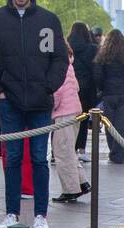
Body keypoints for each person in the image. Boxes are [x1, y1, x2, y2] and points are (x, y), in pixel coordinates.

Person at [0, 0, 65, 228]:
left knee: (40, 159)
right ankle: (11, 213)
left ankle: (40, 214)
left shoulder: (48, 20)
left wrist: (48, 87)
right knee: (13, 158)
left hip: (40, 103)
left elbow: (59, 58)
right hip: (10, 102)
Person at [94, 28, 124, 164]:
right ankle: (120, 155)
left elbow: (97, 74)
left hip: (108, 93)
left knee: (109, 124)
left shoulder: (102, 54)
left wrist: (102, 87)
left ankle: (113, 151)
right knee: (122, 125)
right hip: (123, 92)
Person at [50, 46, 88, 202]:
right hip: (74, 110)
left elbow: (56, 91)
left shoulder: (58, 66)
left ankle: (71, 189)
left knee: (61, 151)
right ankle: (82, 182)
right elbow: (76, 87)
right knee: (69, 150)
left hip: (64, 112)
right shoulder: (69, 65)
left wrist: (50, 106)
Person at [68, 22, 97, 156]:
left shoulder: (67, 47)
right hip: (86, 88)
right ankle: (81, 148)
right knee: (83, 119)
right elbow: (95, 70)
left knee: (66, 119)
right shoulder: (92, 49)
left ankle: (67, 148)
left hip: (69, 87)